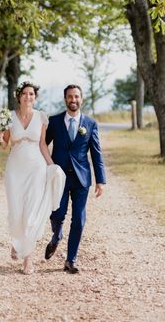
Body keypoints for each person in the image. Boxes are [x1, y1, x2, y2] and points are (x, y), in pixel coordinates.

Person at [0, 81, 65, 275]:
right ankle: (17, 242)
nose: (28, 97)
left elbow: (43, 145)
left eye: (32, 94)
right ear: (19, 96)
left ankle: (28, 259)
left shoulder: (41, 117)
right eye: (25, 94)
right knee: (16, 210)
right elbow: (4, 145)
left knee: (31, 214)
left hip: (36, 168)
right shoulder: (9, 117)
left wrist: (51, 166)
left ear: (35, 97)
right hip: (15, 169)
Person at [44, 84, 106, 274]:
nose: (73, 100)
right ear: (65, 99)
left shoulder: (90, 124)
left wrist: (100, 180)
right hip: (59, 177)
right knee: (56, 214)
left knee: (78, 220)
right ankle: (56, 236)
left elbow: (96, 154)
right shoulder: (53, 122)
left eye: (76, 97)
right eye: (70, 97)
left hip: (81, 179)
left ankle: (71, 260)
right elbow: (42, 145)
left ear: (81, 99)